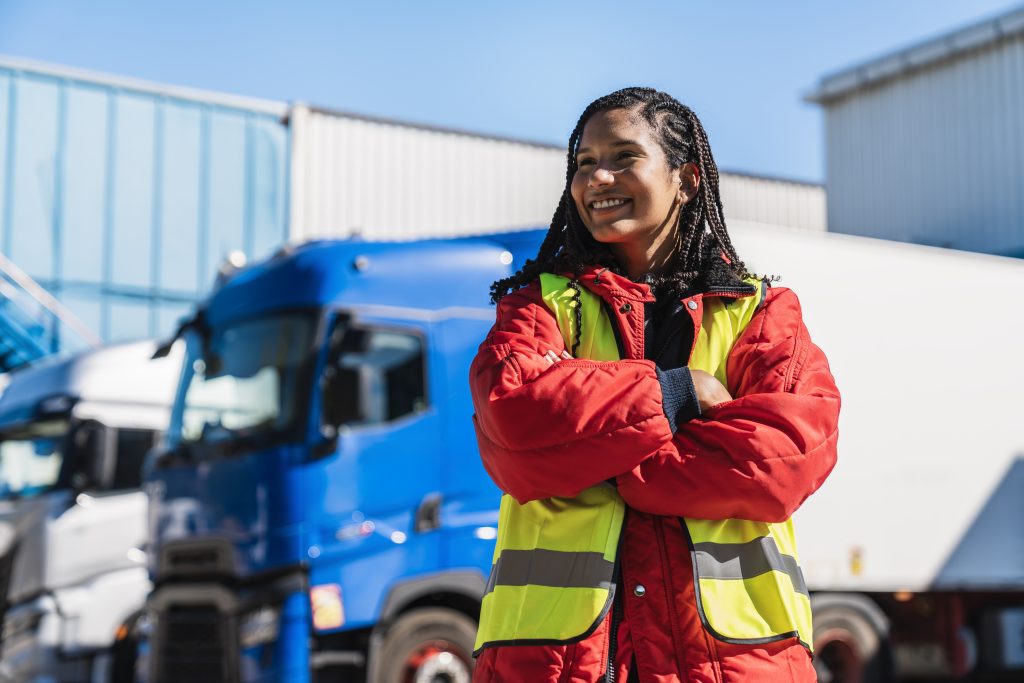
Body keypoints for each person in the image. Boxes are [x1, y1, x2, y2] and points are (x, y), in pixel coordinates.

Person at [468, 87, 840, 682]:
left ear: (687, 179)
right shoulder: (541, 305)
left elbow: (786, 458)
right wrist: (674, 393)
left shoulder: (760, 313)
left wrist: (602, 457)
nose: (597, 177)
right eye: (584, 162)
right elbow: (513, 424)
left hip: (730, 665)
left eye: (622, 156)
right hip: (559, 664)